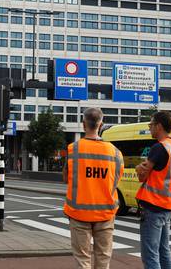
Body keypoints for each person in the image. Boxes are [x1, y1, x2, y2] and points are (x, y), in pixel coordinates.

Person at [63, 108, 124, 269]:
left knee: (82, 259)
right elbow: (117, 180)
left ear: (83, 124)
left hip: (79, 213)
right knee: (103, 258)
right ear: (101, 125)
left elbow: (65, 178)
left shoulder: (73, 149)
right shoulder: (116, 153)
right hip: (105, 213)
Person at [135, 111, 171, 269]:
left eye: (151, 125)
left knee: (150, 255)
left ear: (159, 126)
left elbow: (142, 175)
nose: (150, 128)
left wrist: (138, 168)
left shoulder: (159, 148)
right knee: (164, 251)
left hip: (154, 206)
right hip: (168, 205)